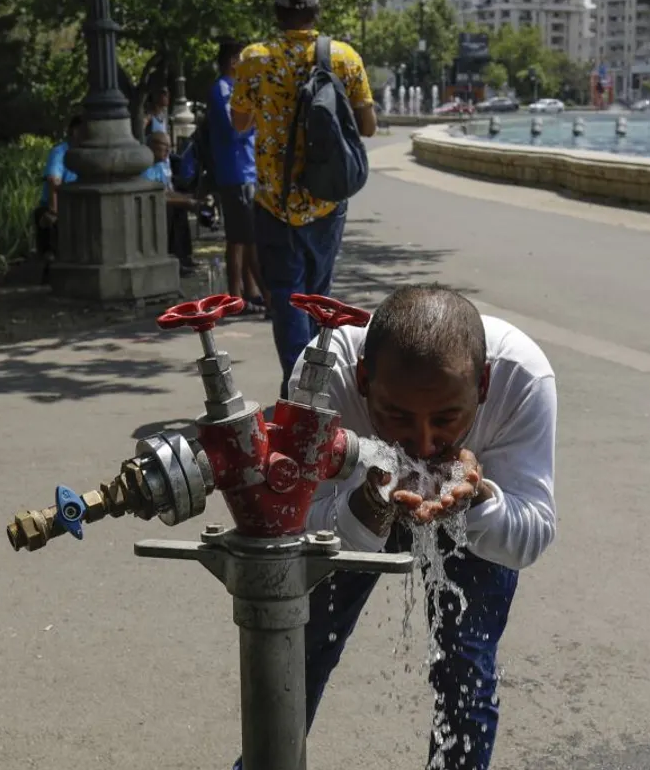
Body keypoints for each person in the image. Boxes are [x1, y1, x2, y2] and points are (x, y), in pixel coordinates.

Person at [230, 284, 558, 770]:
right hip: (356, 498)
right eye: (396, 416)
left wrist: (476, 502)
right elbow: (297, 529)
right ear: (363, 380)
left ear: (483, 385)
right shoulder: (326, 373)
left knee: (466, 668)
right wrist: (367, 507)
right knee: (298, 652)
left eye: (448, 419)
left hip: (468, 500)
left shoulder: (522, 377)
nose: (423, 444)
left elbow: (531, 534)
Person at [231, 0, 378, 396]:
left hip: (273, 201)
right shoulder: (344, 57)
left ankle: (299, 387)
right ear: (316, 12)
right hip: (326, 198)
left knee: (285, 295)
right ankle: (320, 385)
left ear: (278, 14)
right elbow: (368, 128)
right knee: (319, 294)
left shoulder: (254, 59)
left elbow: (239, 124)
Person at [208, 39, 268, 314]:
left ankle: (250, 290)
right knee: (241, 237)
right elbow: (236, 129)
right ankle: (237, 295)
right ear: (233, 61)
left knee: (246, 235)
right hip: (235, 170)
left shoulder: (235, 89)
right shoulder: (221, 90)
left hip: (247, 168)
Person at [33, 114, 84, 281]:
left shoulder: (87, 154)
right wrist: (54, 211)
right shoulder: (60, 152)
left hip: (80, 205)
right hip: (57, 204)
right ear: (75, 131)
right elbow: (53, 182)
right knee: (50, 221)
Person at [145, 131, 201, 273]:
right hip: (149, 208)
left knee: (181, 208)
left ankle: (183, 257)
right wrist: (185, 202)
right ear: (152, 146)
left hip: (160, 202)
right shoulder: (147, 168)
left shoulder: (160, 165)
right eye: (165, 146)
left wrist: (188, 199)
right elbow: (159, 196)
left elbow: (168, 191)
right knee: (174, 209)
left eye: (170, 146)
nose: (168, 151)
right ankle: (174, 258)